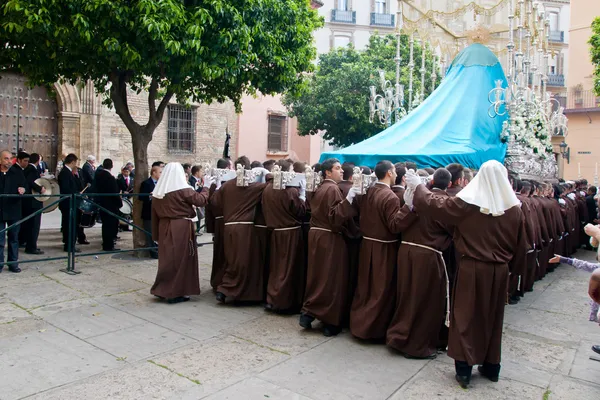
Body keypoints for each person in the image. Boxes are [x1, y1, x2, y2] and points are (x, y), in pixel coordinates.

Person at [404, 160, 527, 388]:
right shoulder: (515, 210)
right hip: (499, 272)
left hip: (472, 268)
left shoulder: (469, 205)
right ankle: (492, 366)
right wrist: (514, 276)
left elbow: (436, 204)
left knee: (465, 317)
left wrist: (419, 187)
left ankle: (464, 369)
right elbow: (522, 247)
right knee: (492, 318)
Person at [386, 168, 453, 357]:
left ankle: (399, 338)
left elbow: (397, 225)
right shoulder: (444, 203)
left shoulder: (417, 199)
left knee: (407, 298)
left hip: (407, 252)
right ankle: (415, 344)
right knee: (425, 302)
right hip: (427, 256)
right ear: (449, 184)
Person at [349, 160, 417, 340]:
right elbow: (395, 225)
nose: (395, 174)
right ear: (388, 173)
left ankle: (358, 325)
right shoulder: (390, 197)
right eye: (394, 171)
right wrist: (409, 208)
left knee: (366, 288)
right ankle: (371, 330)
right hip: (384, 248)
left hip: (367, 245)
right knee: (380, 290)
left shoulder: (368, 191)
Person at [300, 158, 360, 337]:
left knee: (316, 275)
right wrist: (349, 200)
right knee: (331, 278)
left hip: (317, 235)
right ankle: (329, 321)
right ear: (327, 172)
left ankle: (308, 312)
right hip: (329, 236)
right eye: (337, 168)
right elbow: (335, 217)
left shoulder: (319, 187)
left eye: (341, 168)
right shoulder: (333, 188)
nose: (341, 171)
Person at [151, 162, 214, 303]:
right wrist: (206, 187)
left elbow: (154, 215)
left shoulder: (159, 192)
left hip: (164, 227)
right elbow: (201, 200)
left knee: (167, 260)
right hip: (181, 227)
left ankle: (163, 289)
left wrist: (155, 235)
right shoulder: (183, 189)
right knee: (181, 259)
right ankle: (175, 292)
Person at [210, 156, 268, 303]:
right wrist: (266, 173)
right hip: (245, 229)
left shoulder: (227, 185)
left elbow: (215, 202)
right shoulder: (253, 187)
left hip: (228, 227)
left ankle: (225, 290)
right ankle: (230, 290)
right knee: (244, 261)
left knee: (232, 260)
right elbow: (270, 186)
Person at [261, 159, 307, 313]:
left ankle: (272, 299)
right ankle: (282, 302)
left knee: (277, 269)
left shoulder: (268, 188)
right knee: (287, 270)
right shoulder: (290, 190)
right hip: (290, 233)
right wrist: (303, 195)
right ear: (288, 172)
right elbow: (300, 211)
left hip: (275, 232)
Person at [0, 150, 26, 272]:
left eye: (10, 158)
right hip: (0, 211)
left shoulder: (17, 172)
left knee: (14, 238)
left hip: (13, 210)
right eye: (6, 159)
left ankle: (13, 263)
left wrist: (23, 189)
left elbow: (24, 185)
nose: (9, 161)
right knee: (0, 240)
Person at [94, 159, 122, 251]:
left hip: (102, 203)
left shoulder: (98, 175)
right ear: (112, 166)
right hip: (111, 205)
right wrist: (119, 203)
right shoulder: (110, 177)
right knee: (110, 225)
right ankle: (109, 245)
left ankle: (106, 243)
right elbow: (114, 192)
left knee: (105, 225)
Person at [21, 153, 45, 255]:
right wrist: (40, 189)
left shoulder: (28, 168)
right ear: (38, 160)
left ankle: (27, 243)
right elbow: (31, 182)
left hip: (28, 202)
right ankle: (31, 247)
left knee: (29, 224)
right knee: (34, 225)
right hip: (33, 203)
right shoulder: (32, 169)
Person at [58, 153, 81, 253]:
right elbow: (66, 188)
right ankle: (69, 245)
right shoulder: (65, 172)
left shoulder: (68, 172)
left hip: (70, 203)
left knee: (71, 224)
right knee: (69, 225)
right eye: (75, 162)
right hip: (68, 203)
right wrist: (75, 193)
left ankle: (70, 244)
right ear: (72, 162)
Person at [140, 166, 161, 259]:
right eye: (160, 172)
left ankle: (160, 250)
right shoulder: (146, 183)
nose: (161, 174)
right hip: (149, 212)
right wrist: (149, 196)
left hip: (159, 212)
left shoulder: (162, 183)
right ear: (154, 173)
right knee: (150, 233)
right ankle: (153, 252)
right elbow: (141, 197)